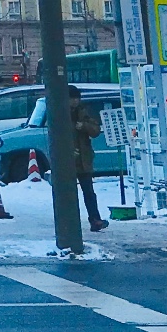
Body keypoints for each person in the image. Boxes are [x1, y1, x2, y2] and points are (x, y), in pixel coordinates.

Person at [65, 86, 109, 232]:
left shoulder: (82, 112)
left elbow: (95, 130)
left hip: (84, 159)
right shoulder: (60, 113)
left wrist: (83, 126)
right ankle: (70, 222)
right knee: (69, 193)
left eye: (77, 98)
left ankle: (95, 219)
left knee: (89, 192)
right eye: (72, 98)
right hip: (68, 160)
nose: (75, 101)